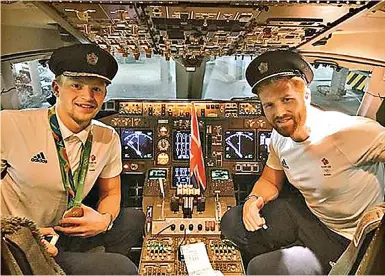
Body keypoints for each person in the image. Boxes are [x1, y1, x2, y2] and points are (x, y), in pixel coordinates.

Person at [220, 50, 385, 275]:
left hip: (346, 238)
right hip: (309, 215)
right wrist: (253, 200)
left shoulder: (351, 132)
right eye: (269, 105)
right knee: (232, 223)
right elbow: (270, 179)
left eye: (287, 99)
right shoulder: (280, 136)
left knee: (260, 270)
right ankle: (292, 251)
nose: (279, 112)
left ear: (306, 95)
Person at [1, 43, 145, 275]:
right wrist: (20, 239)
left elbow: (111, 193)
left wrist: (104, 219)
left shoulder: (107, 137)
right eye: (76, 86)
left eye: (97, 89)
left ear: (105, 94)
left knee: (135, 219)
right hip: (20, 243)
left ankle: (87, 261)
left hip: (65, 231)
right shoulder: (10, 125)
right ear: (56, 88)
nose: (87, 97)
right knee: (122, 269)